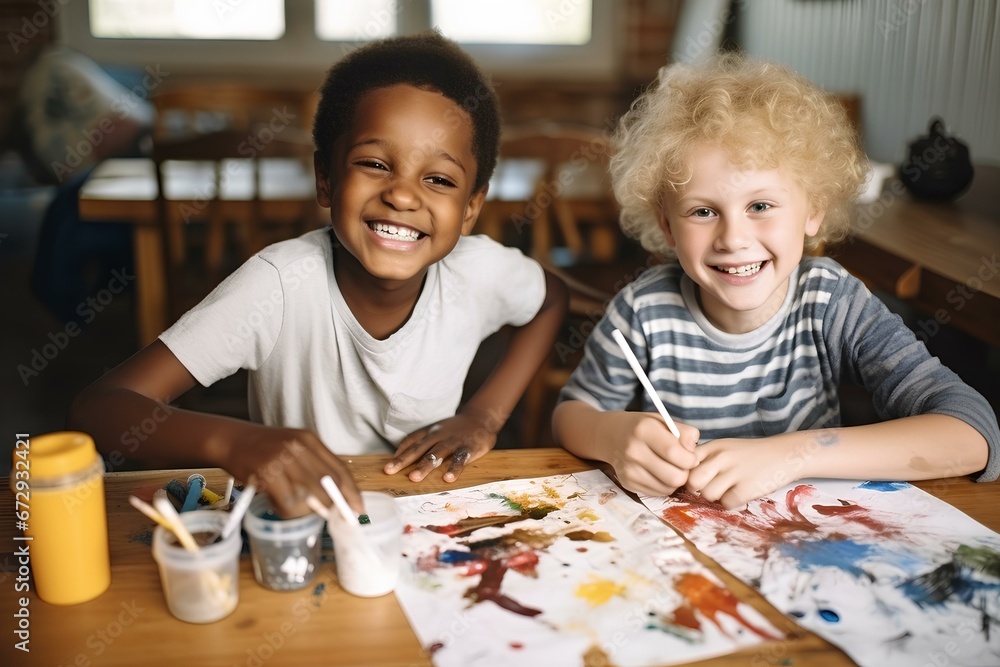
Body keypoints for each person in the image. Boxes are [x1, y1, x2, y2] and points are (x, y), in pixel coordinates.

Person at [70, 32, 568, 517]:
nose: (403, 195)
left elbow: (551, 298)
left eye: (438, 179)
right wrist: (234, 439)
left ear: (469, 208)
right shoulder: (279, 285)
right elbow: (99, 408)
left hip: (430, 520)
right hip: (302, 526)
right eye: (374, 163)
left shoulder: (477, 271)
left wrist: (484, 416)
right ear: (326, 179)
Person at [552, 53, 998, 509]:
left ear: (814, 210)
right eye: (703, 212)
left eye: (760, 206)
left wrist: (794, 455)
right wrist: (613, 436)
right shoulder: (641, 312)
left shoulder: (832, 302)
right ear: (667, 227)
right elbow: (571, 414)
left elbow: (973, 431)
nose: (734, 239)